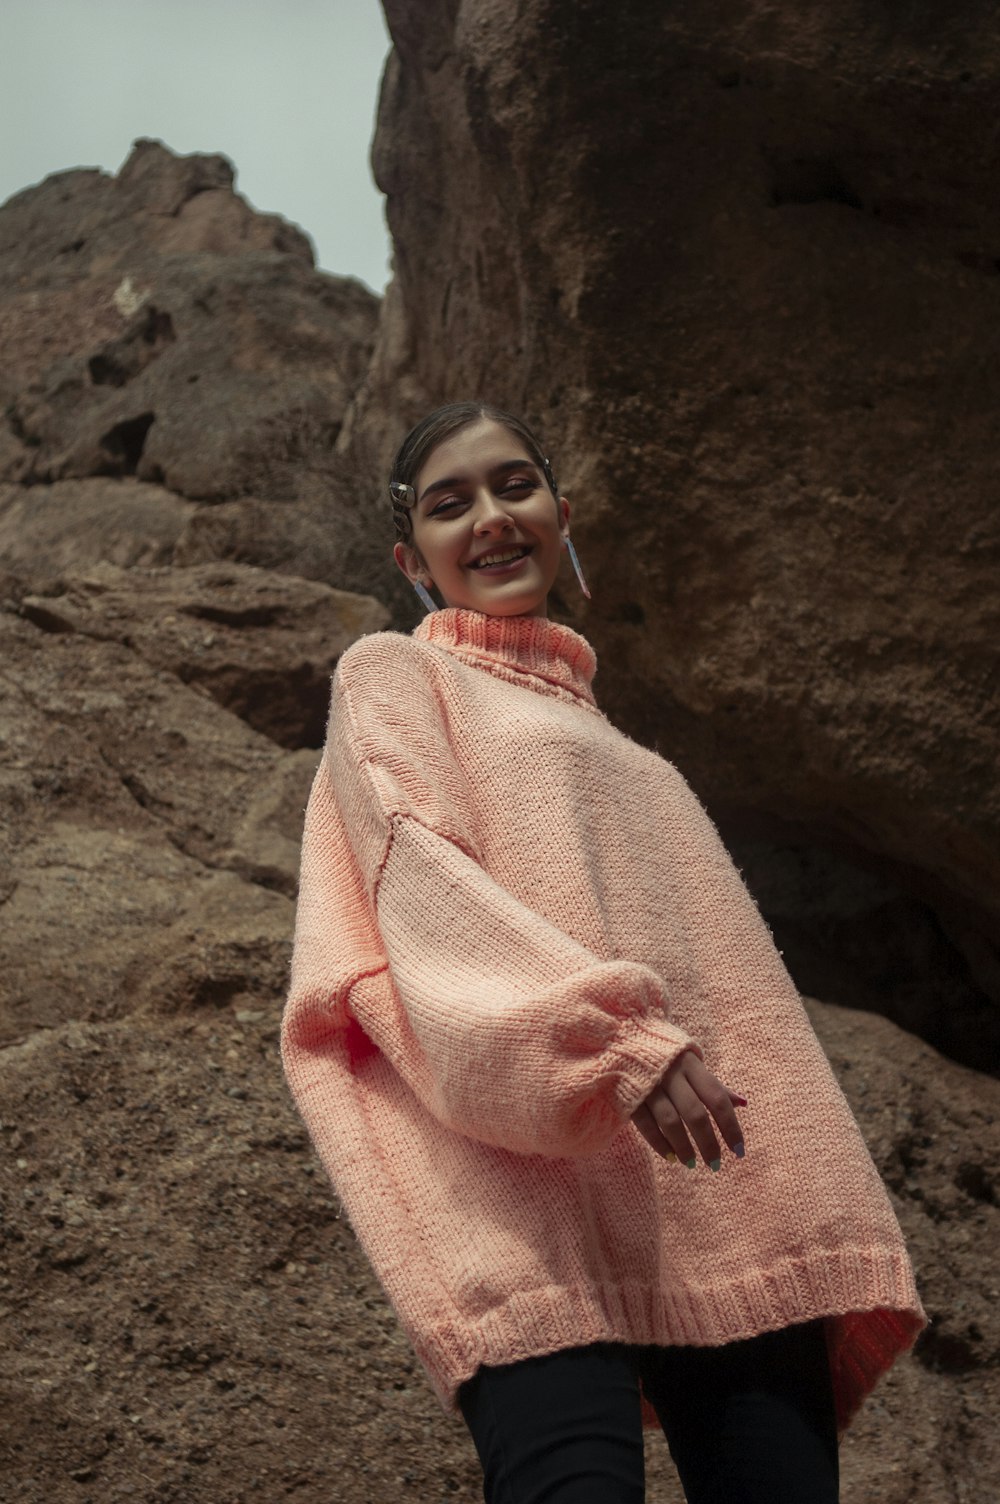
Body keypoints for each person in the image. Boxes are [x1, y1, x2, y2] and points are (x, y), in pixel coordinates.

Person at [281, 401, 926, 1503]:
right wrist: (615, 1043)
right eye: (451, 503)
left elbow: (727, 972)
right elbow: (423, 882)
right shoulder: (393, 677)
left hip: (718, 1186)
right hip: (515, 1184)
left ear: (562, 515)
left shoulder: (622, 743)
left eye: (514, 486)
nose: (491, 517)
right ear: (411, 557)